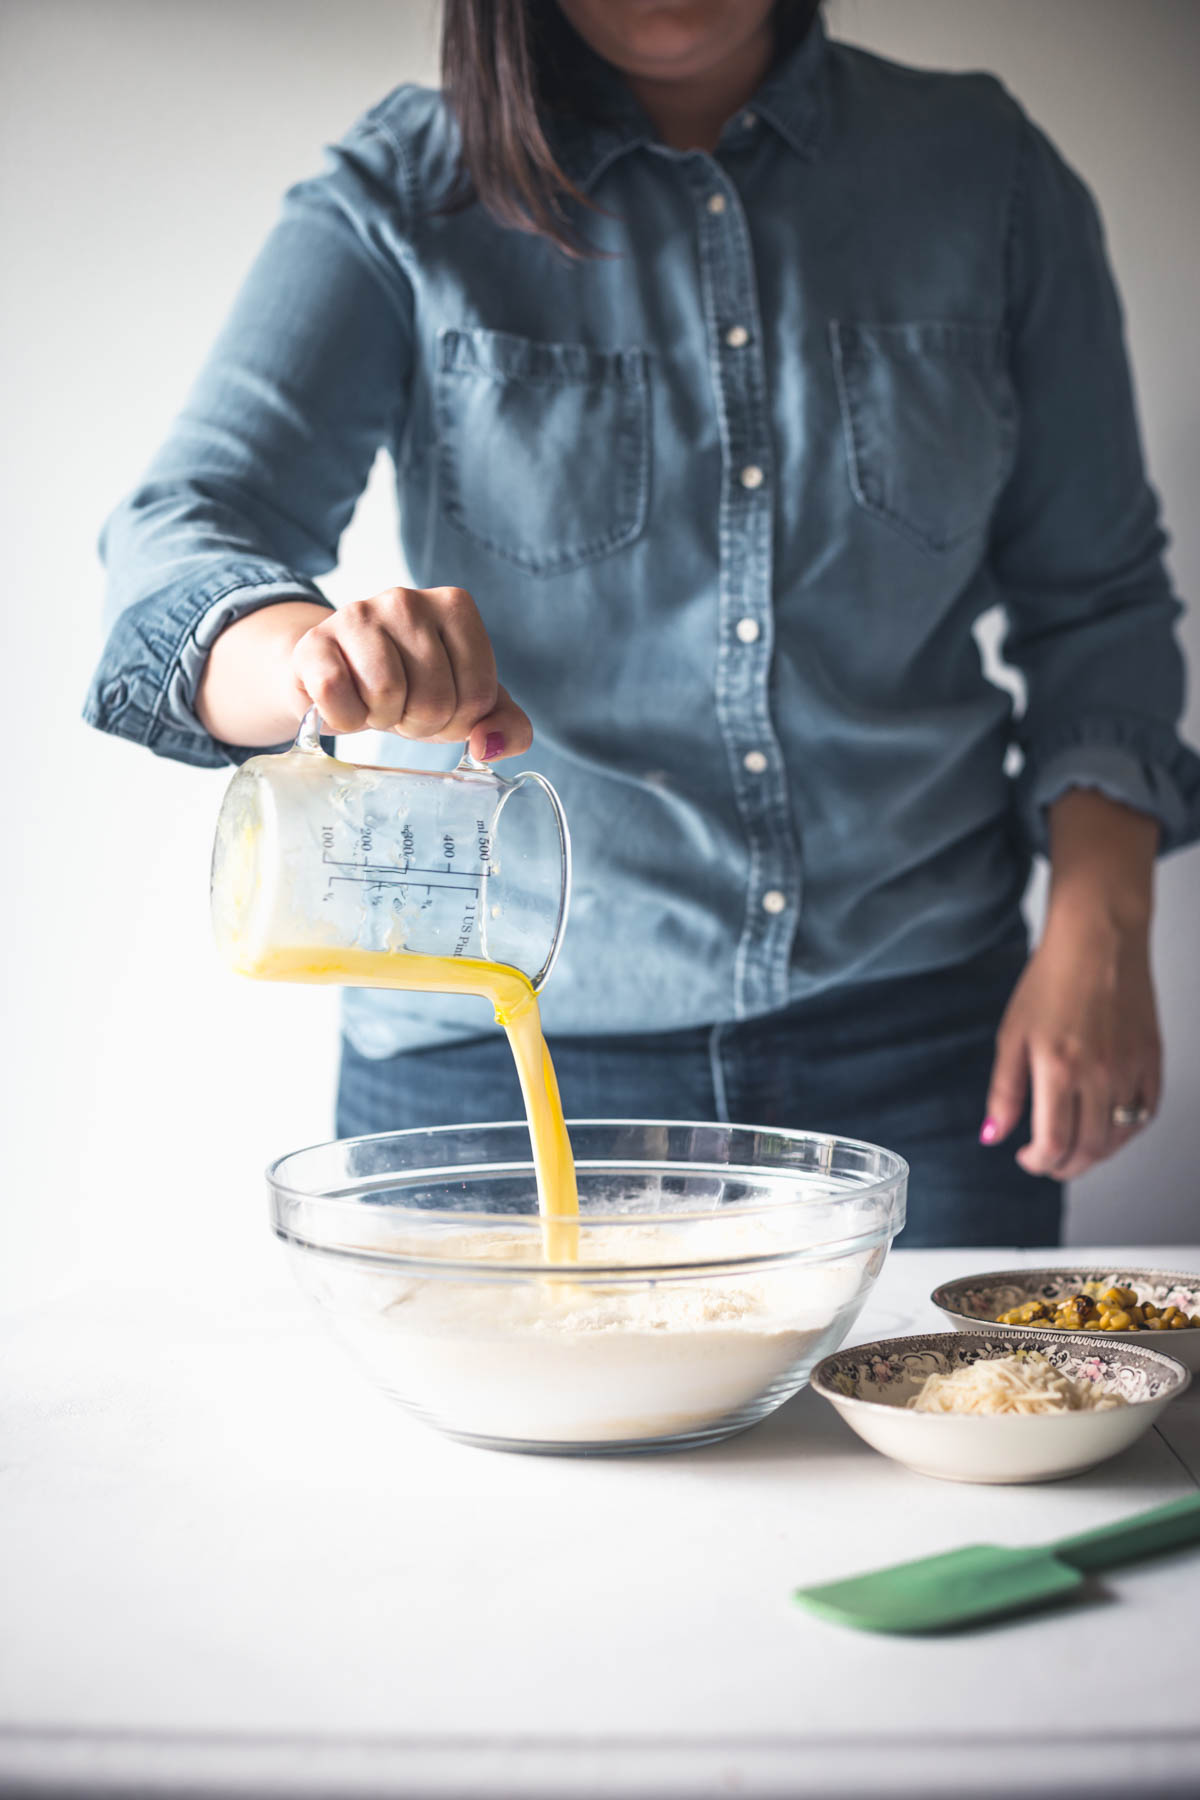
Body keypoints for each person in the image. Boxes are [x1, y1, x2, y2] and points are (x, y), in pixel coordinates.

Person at [85, 0, 1200, 1247]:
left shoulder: (983, 170)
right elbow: (183, 534)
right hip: (491, 1073)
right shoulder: (403, 189)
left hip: (927, 1057)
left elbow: (1097, 602)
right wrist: (310, 655)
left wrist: (1103, 927)